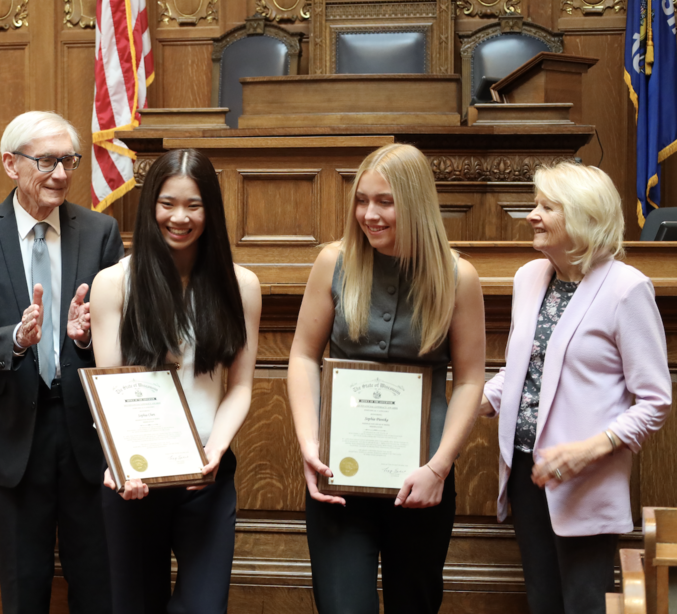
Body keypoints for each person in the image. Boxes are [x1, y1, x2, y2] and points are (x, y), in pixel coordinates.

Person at [287, 143, 486, 614]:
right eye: (362, 200)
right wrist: (308, 445)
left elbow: (472, 379)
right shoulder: (332, 262)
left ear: (415, 204)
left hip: (421, 478)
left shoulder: (458, 277)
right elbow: (300, 355)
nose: (369, 214)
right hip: (338, 473)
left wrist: (439, 468)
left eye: (385, 201)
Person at [0, 111, 123, 612]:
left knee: (98, 585)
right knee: (24, 590)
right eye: (47, 161)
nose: (62, 174)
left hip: (87, 438)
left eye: (69, 160)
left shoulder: (101, 233)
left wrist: (87, 338)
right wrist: (17, 339)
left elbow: (119, 332)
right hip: (10, 438)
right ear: (11, 163)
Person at [480, 162, 672, 614]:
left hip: (585, 478)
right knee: (542, 602)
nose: (532, 215)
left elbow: (655, 400)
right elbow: (519, 371)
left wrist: (591, 449)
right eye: (535, 204)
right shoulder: (529, 277)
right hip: (528, 470)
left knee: (584, 605)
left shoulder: (627, 289)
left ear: (584, 218)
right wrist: (469, 403)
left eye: (547, 207)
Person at [90, 148, 262, 614]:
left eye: (194, 205)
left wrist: (216, 450)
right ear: (150, 207)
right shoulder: (114, 284)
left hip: (207, 476)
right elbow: (113, 387)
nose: (179, 217)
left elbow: (240, 386)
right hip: (137, 477)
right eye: (168, 203)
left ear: (211, 209)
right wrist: (122, 461)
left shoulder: (241, 284)